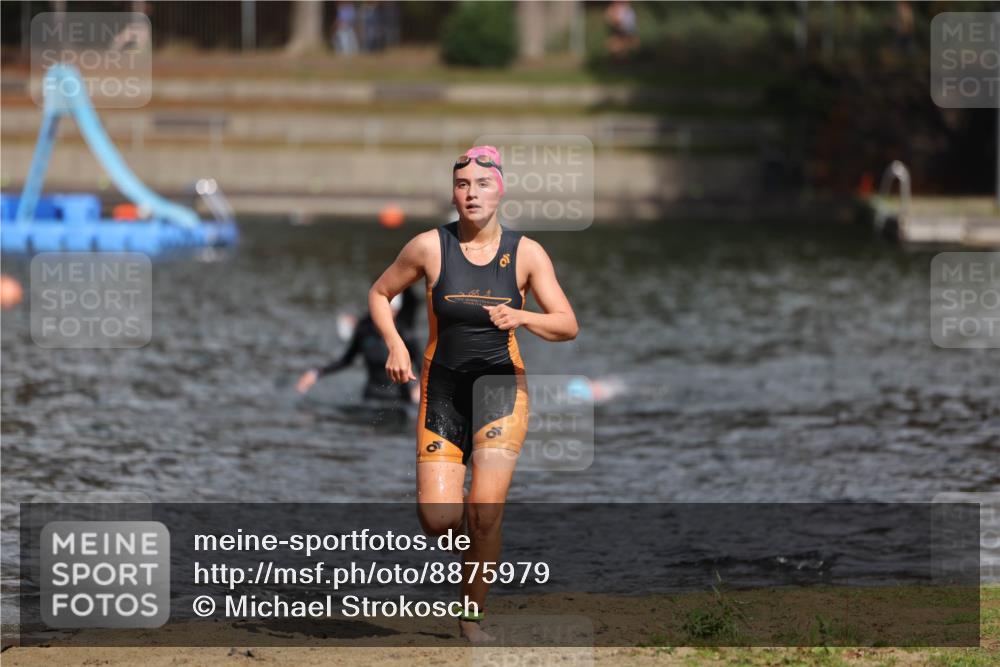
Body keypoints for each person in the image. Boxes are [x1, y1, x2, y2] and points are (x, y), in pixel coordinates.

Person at [368, 145, 579, 642]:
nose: (471, 194)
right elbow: (379, 294)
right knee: (439, 519)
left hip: (502, 389)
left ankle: (471, 616)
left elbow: (567, 324)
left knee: (484, 512)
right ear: (453, 193)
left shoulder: (526, 253)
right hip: (442, 386)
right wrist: (395, 345)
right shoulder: (427, 247)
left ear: (499, 191)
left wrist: (523, 316)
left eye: (482, 185)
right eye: (463, 185)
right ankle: (480, 536)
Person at [297, 286, 421, 405]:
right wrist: (316, 373)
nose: (383, 314)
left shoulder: (406, 336)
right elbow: (346, 360)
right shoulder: (364, 333)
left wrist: (419, 389)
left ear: (396, 311)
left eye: (389, 309)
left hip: (399, 402)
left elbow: (425, 369)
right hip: (370, 398)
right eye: (380, 308)